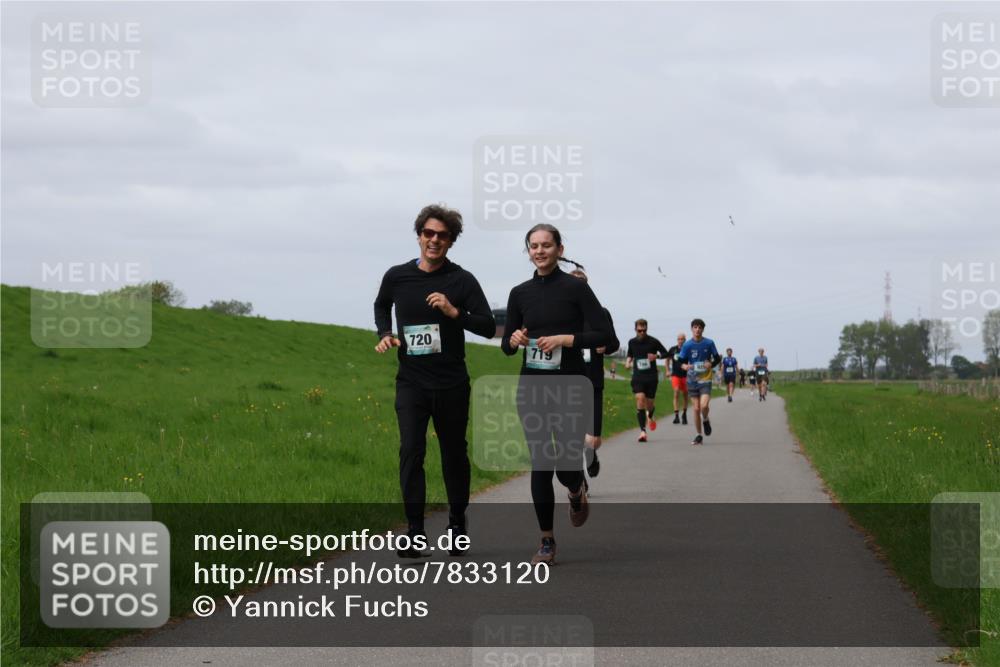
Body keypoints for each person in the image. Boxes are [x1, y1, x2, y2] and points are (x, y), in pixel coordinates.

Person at [374, 204, 495, 558]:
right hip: (411, 382)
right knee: (411, 451)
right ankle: (414, 532)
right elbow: (381, 304)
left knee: (453, 455)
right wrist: (385, 333)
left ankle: (456, 522)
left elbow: (488, 326)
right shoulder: (397, 276)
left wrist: (454, 311)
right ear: (419, 236)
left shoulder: (462, 280)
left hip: (451, 383)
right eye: (429, 233)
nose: (434, 240)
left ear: (451, 241)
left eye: (443, 235)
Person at [501, 224, 611, 565]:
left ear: (559, 250)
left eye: (546, 245)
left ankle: (575, 489)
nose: (539, 251)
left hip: (570, 389)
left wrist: (566, 339)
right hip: (532, 389)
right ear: (528, 251)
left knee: (565, 467)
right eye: (533, 246)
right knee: (540, 462)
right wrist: (514, 340)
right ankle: (547, 540)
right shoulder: (520, 293)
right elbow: (507, 345)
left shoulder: (576, 289)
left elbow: (607, 337)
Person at [569, 269, 619, 484]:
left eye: (582, 283)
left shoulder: (600, 313)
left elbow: (614, 343)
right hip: (569, 381)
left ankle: (590, 452)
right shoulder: (562, 314)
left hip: (593, 381)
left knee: (594, 439)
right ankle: (579, 480)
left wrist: (605, 347)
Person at [678, 318, 721, 445]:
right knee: (696, 409)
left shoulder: (709, 343)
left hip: (705, 379)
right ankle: (698, 435)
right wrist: (684, 366)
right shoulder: (687, 345)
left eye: (700, 327)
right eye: (695, 327)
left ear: (703, 329)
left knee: (704, 406)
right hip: (692, 380)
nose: (697, 330)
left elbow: (717, 358)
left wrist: (711, 364)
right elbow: (680, 361)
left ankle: (705, 419)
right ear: (692, 329)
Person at [625, 319, 669, 442]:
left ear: (647, 329)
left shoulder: (653, 341)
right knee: (640, 399)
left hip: (651, 377)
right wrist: (628, 362)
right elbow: (630, 354)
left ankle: (650, 415)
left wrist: (657, 356)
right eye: (640, 330)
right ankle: (643, 431)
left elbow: (666, 353)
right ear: (635, 329)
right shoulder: (632, 342)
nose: (642, 333)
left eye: (644, 330)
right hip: (638, 376)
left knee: (649, 405)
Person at [665, 333, 690, 425]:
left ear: (685, 340)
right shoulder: (673, 349)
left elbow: (692, 361)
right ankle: (676, 416)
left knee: (685, 395)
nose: (680, 341)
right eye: (679, 339)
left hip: (685, 376)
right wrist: (667, 370)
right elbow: (667, 360)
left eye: (682, 339)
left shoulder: (688, 350)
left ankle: (684, 414)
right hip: (675, 374)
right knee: (676, 392)